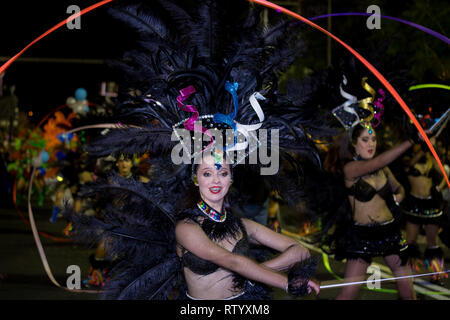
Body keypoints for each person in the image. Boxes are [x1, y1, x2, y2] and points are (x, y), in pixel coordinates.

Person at [175, 152, 319, 299]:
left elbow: (300, 251)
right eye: (207, 174)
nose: (216, 180)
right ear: (195, 179)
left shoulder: (244, 225)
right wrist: (285, 282)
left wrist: (253, 273)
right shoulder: (186, 228)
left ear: (231, 179)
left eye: (223, 173)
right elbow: (232, 261)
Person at [324, 122, 418, 300]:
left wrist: (398, 196)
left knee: (407, 290)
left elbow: (399, 188)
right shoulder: (350, 169)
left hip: (390, 232)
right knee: (348, 294)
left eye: (374, 139)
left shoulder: (383, 169)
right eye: (365, 140)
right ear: (354, 144)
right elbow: (378, 161)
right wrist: (411, 141)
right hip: (362, 237)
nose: (371, 144)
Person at [401, 137, 447, 284]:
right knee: (410, 241)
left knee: (432, 241)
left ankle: (436, 274)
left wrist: (439, 187)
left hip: (430, 204)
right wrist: (423, 149)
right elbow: (409, 165)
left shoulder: (430, 160)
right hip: (414, 203)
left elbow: (444, 172)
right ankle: (409, 274)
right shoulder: (409, 159)